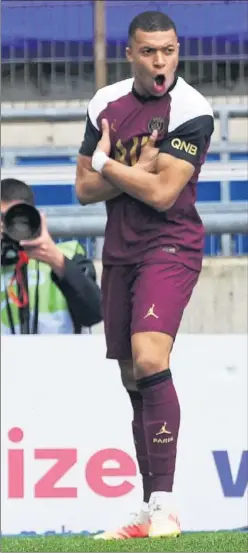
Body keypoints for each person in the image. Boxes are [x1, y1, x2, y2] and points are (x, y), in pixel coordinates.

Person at [76, 10, 214, 540]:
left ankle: (167, 505)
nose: (161, 61)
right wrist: (137, 168)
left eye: (170, 50)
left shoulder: (192, 110)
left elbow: (162, 194)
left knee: (152, 356)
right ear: (130, 52)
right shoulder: (104, 103)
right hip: (120, 250)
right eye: (150, 51)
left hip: (171, 244)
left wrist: (110, 164)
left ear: (179, 50)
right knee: (132, 374)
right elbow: (82, 190)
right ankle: (149, 503)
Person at [1, 178, 102, 334]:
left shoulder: (69, 253)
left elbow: (94, 314)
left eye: (13, 219)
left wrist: (56, 260)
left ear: (33, 218)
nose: (7, 228)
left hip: (59, 357)